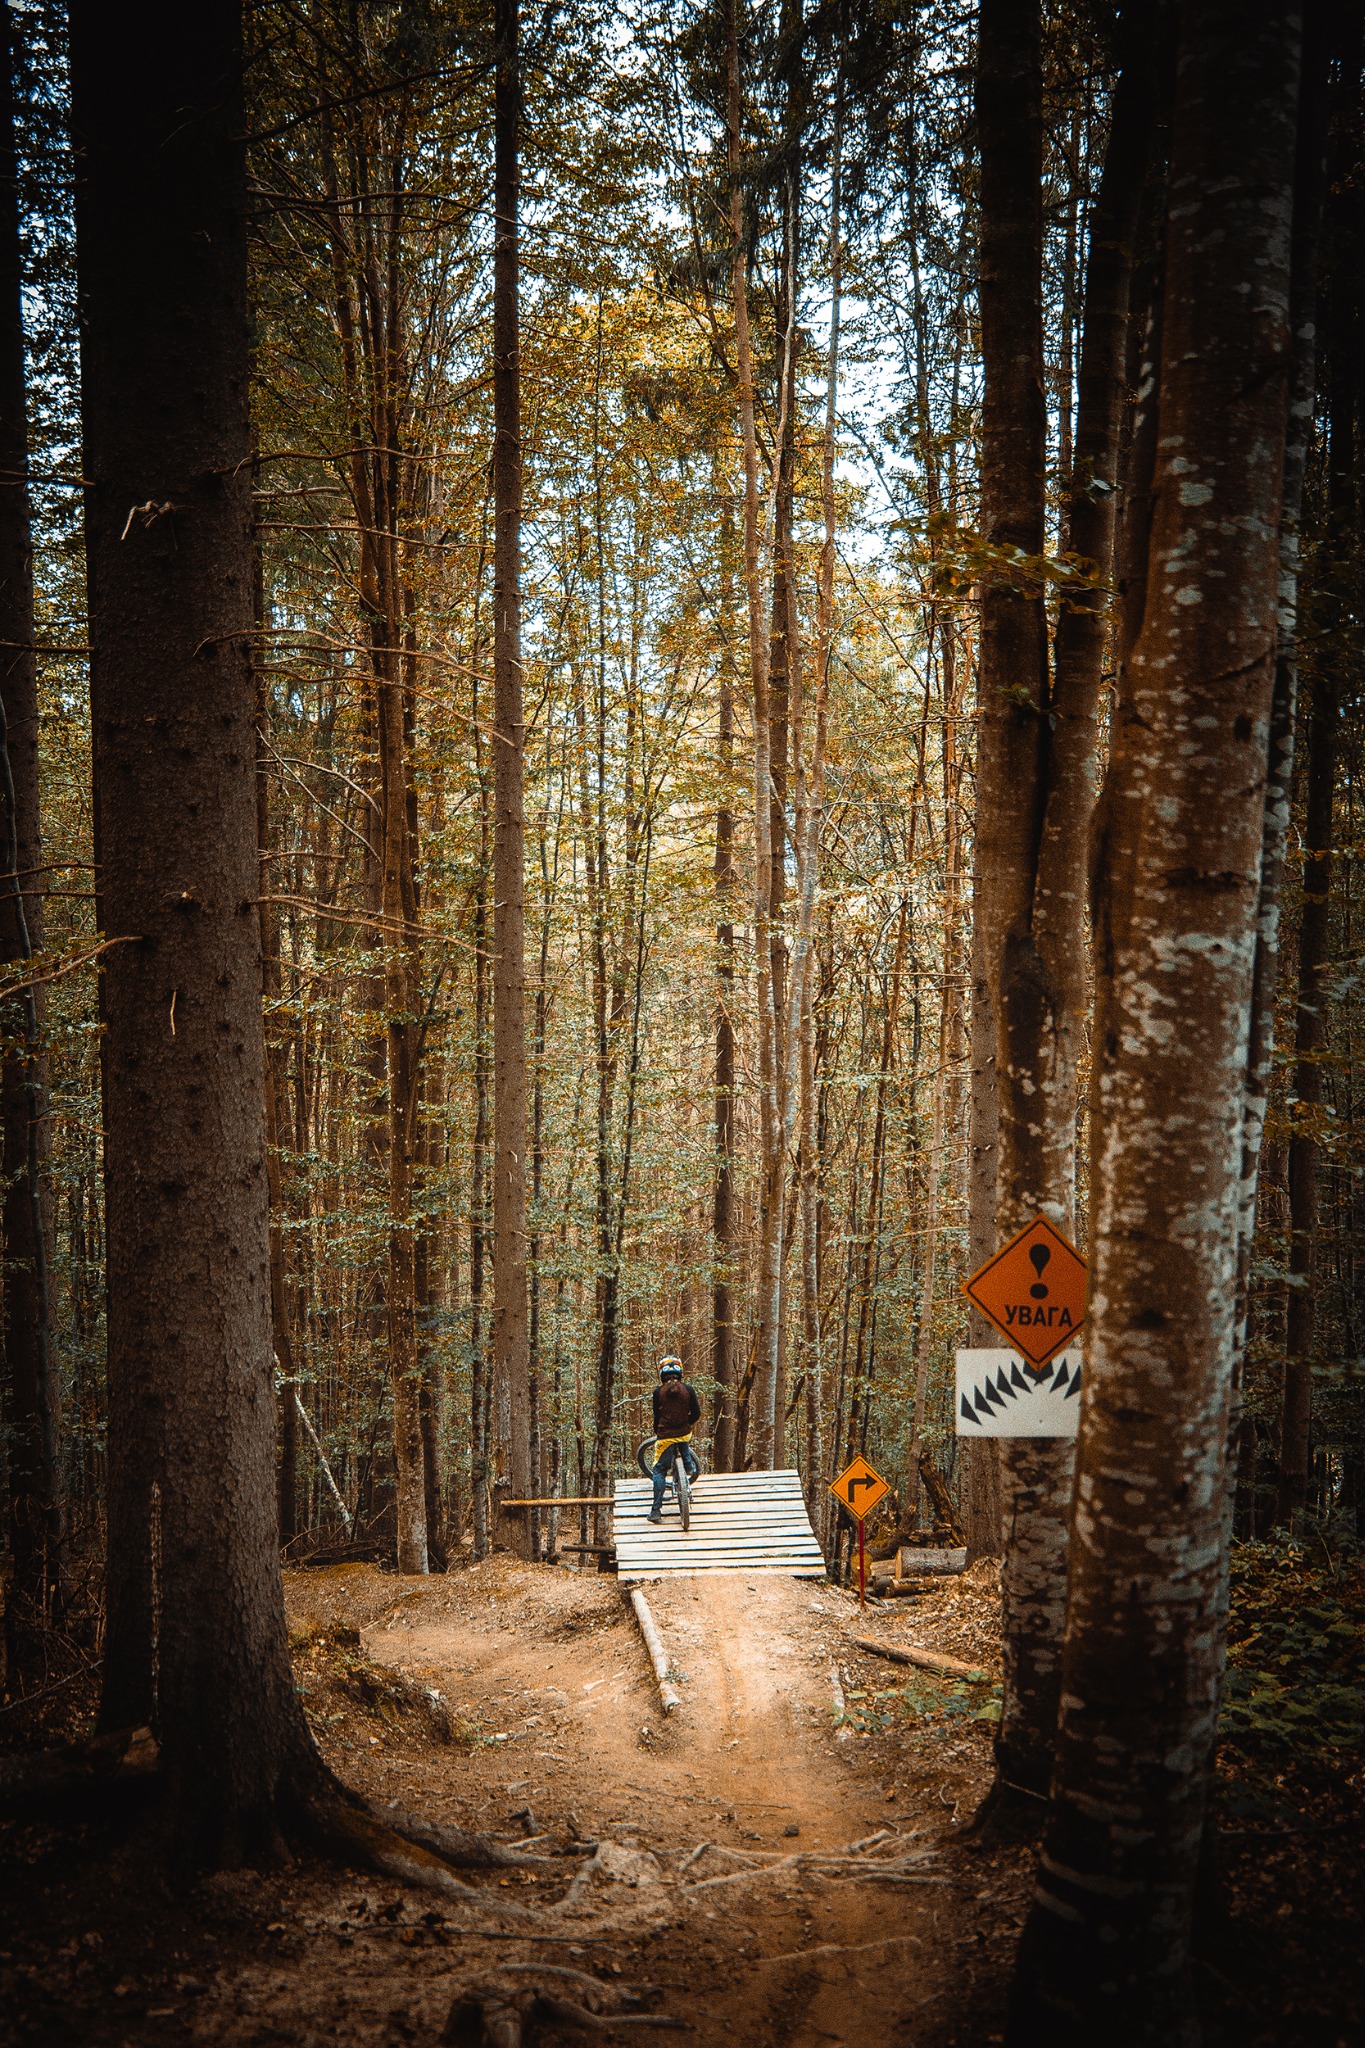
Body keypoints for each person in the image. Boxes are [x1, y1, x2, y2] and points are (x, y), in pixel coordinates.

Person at [648, 1356, 701, 1523]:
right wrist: (688, 1423)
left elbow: (657, 1416)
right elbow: (697, 1413)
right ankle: (688, 1465)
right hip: (684, 1432)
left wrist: (658, 1430)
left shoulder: (658, 1393)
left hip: (665, 1437)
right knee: (683, 1440)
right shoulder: (689, 1390)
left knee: (659, 1471)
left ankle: (656, 1511)